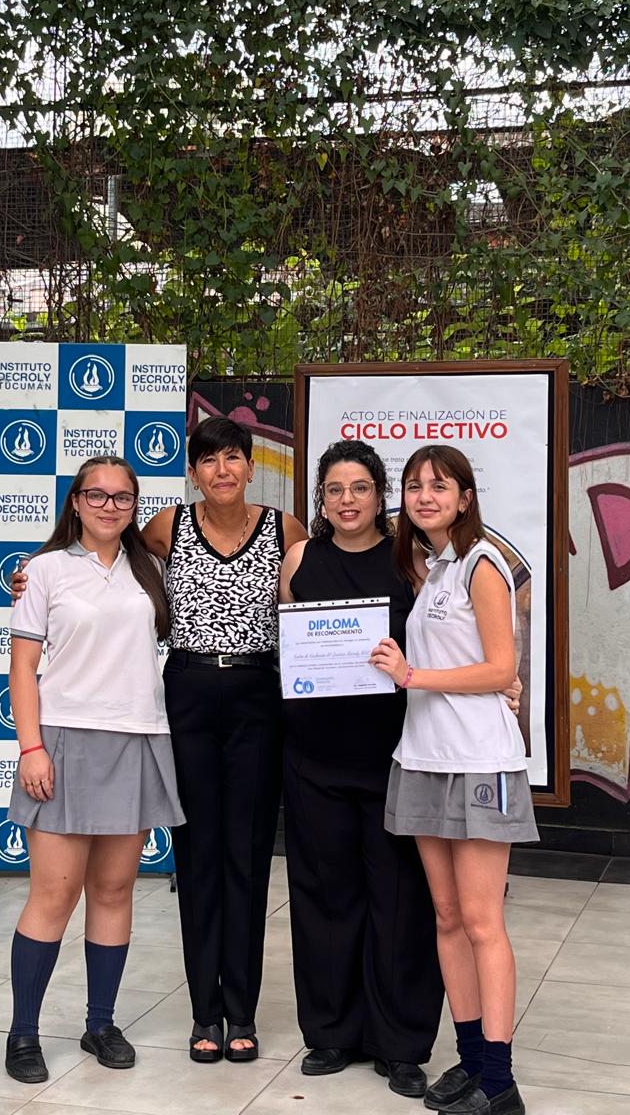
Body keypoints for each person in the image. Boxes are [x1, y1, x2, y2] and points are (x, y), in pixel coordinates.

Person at [4, 455, 184, 1084]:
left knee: (113, 891)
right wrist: (31, 747)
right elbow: (23, 667)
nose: (110, 506)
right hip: (64, 742)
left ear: (135, 506)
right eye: (97, 495)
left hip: (137, 738)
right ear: (76, 502)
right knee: (54, 895)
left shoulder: (152, 569)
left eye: (122, 497)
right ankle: (23, 1034)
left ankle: (100, 1023)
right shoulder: (43, 570)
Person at [371, 445, 538, 1115]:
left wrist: (411, 675)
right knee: (445, 917)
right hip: (422, 756)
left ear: (466, 497)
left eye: (439, 486)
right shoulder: (433, 566)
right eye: (414, 486)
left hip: (478, 759)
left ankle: (498, 1082)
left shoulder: (482, 563)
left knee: (481, 919)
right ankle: (470, 1060)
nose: (425, 496)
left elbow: (501, 669)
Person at [279, 440, 444, 1100]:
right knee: (324, 895)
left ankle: (400, 1044)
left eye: (360, 488)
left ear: (381, 496)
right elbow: (284, 642)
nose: (347, 501)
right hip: (313, 756)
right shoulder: (299, 559)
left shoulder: (412, 560)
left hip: (395, 754)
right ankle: (331, 1033)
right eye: (334, 490)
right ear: (321, 500)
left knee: (400, 901)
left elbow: (445, 641)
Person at [140, 417, 306, 1062]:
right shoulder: (168, 525)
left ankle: (242, 1011)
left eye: (233, 457)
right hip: (188, 692)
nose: (222, 470)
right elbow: (107, 558)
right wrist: (39, 574)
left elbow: (323, 599)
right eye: (208, 460)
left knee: (248, 855)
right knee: (198, 856)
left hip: (257, 697)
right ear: (193, 472)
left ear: (251, 466)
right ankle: (204, 1015)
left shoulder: (284, 529)